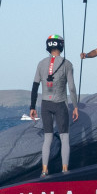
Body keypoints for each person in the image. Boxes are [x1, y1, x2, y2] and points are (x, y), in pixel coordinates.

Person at [30, 34, 79, 175]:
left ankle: (44, 170)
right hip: (60, 104)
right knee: (64, 138)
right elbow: (72, 88)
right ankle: (65, 169)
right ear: (61, 45)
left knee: (48, 138)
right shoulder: (67, 64)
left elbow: (34, 86)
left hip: (45, 103)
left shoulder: (41, 63)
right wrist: (75, 106)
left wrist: (32, 107)